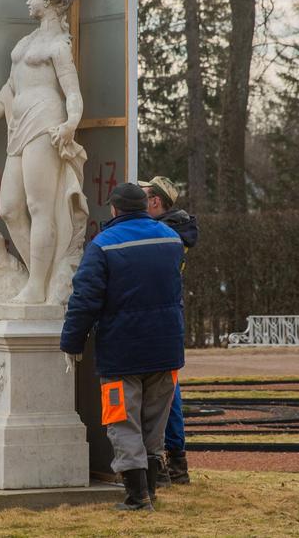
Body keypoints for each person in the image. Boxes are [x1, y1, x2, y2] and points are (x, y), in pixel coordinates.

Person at [60, 184, 185, 511]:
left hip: (122, 353)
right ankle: (153, 489)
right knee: (153, 424)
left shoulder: (102, 246)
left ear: (114, 210)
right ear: (145, 205)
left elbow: (84, 300)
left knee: (122, 422)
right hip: (166, 350)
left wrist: (72, 341)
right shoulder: (171, 239)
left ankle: (136, 497)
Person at [0, 0, 89, 305]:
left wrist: (71, 124)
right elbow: (10, 87)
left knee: (41, 207)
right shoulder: (25, 43)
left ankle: (38, 287)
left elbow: (73, 93)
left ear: (52, 0)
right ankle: (43, 277)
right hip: (18, 124)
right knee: (9, 208)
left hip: (45, 120)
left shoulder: (59, 45)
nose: (28, 1)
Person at [140, 175, 200, 486]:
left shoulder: (167, 234)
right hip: (165, 321)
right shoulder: (176, 231)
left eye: (145, 195)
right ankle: (173, 463)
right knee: (167, 392)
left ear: (155, 202)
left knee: (167, 395)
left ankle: (169, 462)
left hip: (158, 322)